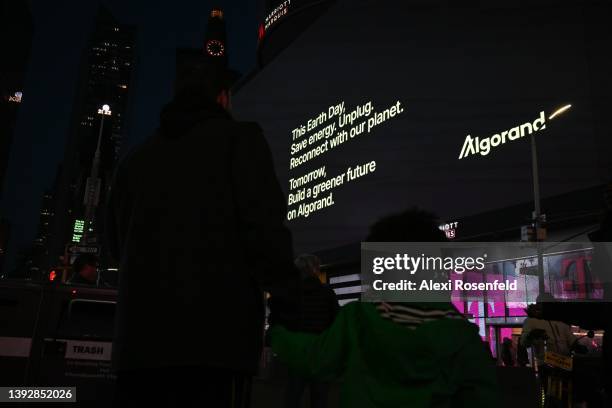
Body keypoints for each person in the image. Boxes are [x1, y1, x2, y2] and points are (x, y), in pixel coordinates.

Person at [106, 57, 300, 407]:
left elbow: (114, 247)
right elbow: (264, 231)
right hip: (216, 345)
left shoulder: (135, 160)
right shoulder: (241, 140)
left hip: (139, 348)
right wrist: (290, 298)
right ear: (223, 99)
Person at [269, 208, 499, 408]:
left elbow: (315, 357)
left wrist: (277, 335)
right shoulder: (463, 336)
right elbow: (481, 398)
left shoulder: (358, 319)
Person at [281, 254, 339, 408]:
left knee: (292, 398)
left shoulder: (291, 294)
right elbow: (336, 323)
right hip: (320, 352)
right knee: (319, 399)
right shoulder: (327, 292)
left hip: (297, 352)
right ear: (315, 270)